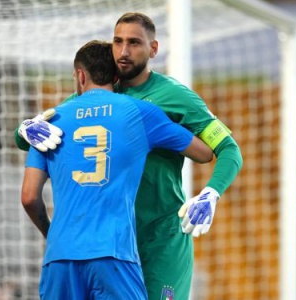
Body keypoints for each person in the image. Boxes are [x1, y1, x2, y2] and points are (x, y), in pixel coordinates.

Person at [17, 13, 243, 300]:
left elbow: (227, 149)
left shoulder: (175, 97)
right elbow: (41, 132)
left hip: (158, 239)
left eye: (134, 43)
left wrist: (211, 192)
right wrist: (24, 128)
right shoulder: (93, 95)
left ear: (153, 49)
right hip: (113, 242)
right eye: (118, 41)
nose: (123, 52)